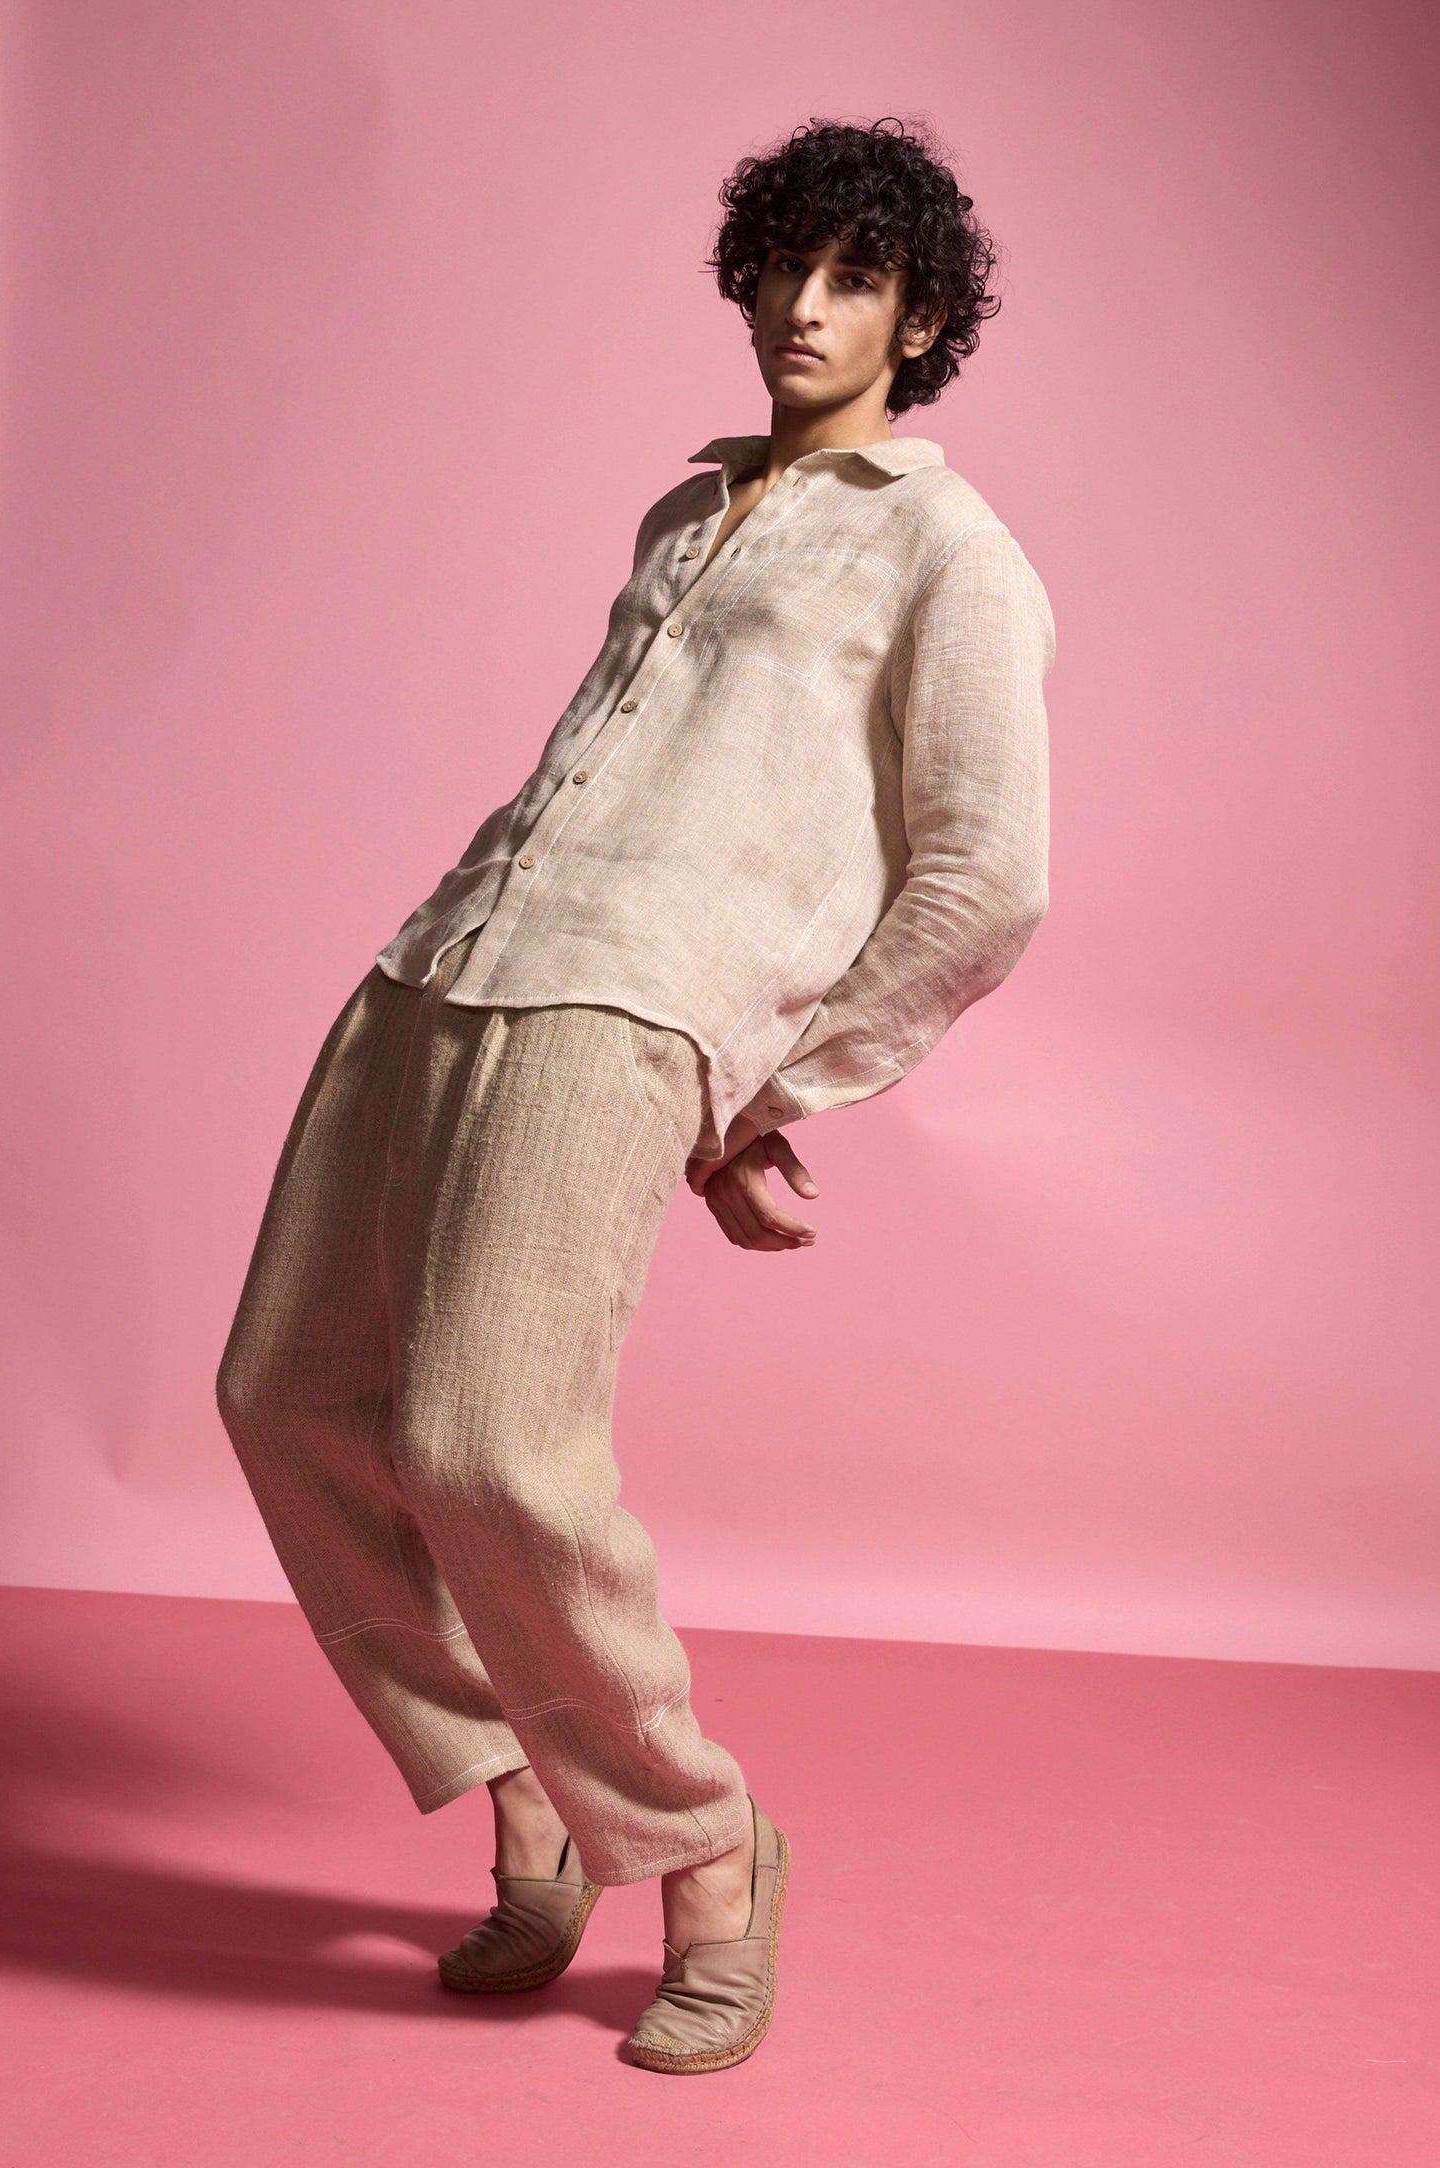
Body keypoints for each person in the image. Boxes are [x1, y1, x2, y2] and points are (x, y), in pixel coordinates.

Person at [216, 114, 1054, 2075]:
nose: (803, 306)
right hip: (444, 958)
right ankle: (521, 1789)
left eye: (855, 278)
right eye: (784, 264)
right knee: (284, 1395)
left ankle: (702, 1848)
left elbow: (986, 877)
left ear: (920, 320)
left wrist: (773, 1087)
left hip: (632, 998)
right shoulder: (686, 512)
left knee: (485, 1442)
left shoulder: (947, 549)